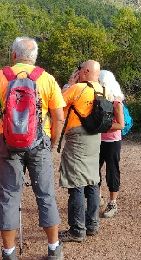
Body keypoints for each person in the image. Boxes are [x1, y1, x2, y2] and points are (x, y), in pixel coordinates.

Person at [0, 37, 65, 259]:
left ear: (14, 55)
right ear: (34, 57)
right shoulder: (46, 79)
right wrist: (52, 141)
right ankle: (54, 249)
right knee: (45, 195)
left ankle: (8, 252)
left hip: (7, 144)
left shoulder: (2, 76)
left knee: (8, 196)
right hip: (39, 143)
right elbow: (59, 117)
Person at [58, 60, 104, 242]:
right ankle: (92, 225)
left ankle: (77, 229)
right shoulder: (103, 90)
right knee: (92, 179)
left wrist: (69, 84)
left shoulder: (77, 89)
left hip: (77, 138)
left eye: (79, 70)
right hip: (95, 137)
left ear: (85, 71)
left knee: (76, 181)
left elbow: (58, 104)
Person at [98, 70, 125, 218]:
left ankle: (113, 202)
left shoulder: (116, 101)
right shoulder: (96, 97)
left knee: (112, 171)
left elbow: (121, 124)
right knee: (94, 170)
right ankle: (98, 198)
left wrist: (100, 126)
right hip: (97, 139)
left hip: (112, 141)